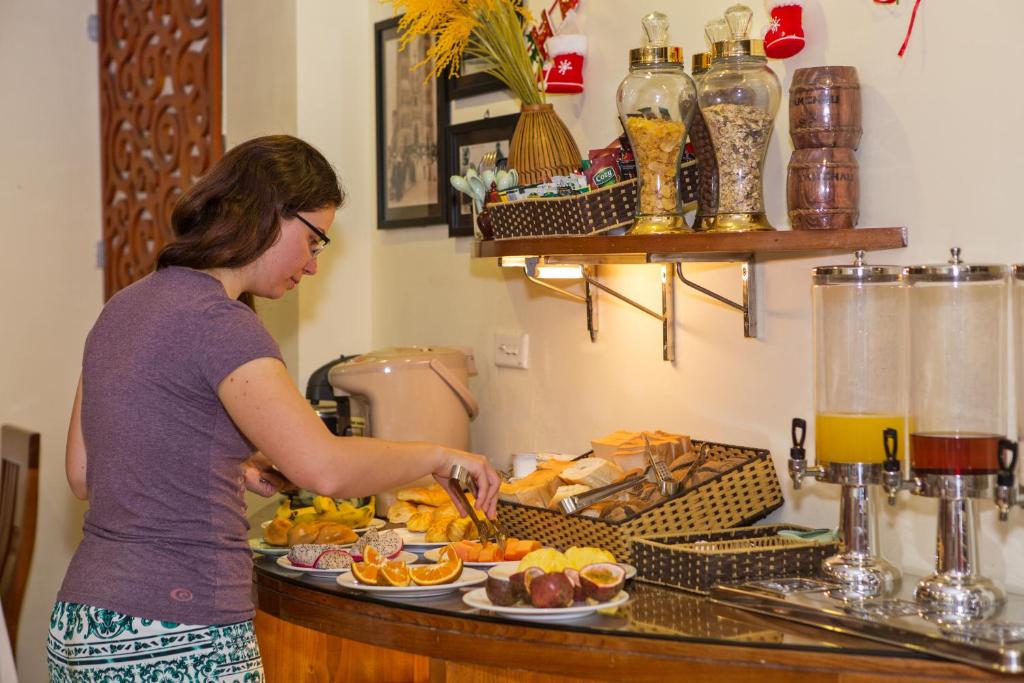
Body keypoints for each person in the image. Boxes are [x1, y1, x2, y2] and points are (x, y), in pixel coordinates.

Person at [47, 135, 500, 681]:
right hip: (177, 627)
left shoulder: (122, 307)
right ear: (267, 215)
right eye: (313, 241)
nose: (312, 266)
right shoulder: (223, 324)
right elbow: (324, 469)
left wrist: (225, 463)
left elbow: (84, 473)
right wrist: (438, 456)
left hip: (84, 625)